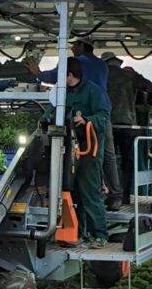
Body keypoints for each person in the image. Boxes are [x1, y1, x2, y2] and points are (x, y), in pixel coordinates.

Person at [27, 37, 118, 208]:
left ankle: (75, 194)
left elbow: (55, 76)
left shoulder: (78, 64)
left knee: (77, 161)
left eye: (74, 45)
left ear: (82, 45)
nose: (72, 48)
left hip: (82, 123)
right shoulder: (102, 65)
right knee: (108, 156)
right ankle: (114, 195)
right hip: (101, 118)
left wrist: (38, 73)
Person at [59, 61, 110, 247]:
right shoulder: (63, 92)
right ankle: (76, 233)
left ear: (70, 75)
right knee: (71, 192)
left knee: (89, 191)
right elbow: (51, 110)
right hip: (68, 148)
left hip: (88, 149)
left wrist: (86, 120)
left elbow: (104, 117)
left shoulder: (94, 92)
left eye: (62, 74)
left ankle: (100, 235)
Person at [102, 52, 138, 206]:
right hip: (128, 124)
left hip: (109, 123)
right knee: (127, 162)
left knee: (107, 160)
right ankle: (126, 196)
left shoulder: (103, 75)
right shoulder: (130, 75)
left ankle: (111, 194)